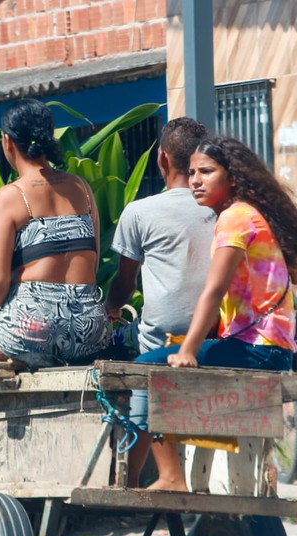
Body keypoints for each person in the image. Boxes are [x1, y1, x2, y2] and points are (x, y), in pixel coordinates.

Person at [0, 98, 109, 494]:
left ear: (7, 143)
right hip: (91, 328)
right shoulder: (80, 187)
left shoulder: (10, 196)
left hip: (34, 327)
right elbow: (91, 262)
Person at [136, 135, 297, 491]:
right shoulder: (252, 214)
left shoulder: (234, 218)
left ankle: (171, 477)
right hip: (270, 349)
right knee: (162, 362)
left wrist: (188, 349)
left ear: (232, 177)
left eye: (207, 171)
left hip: (258, 349)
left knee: (147, 366)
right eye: (191, 173)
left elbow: (214, 290)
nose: (195, 181)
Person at [104, 117, 214, 487]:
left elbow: (124, 282)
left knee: (133, 358)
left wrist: (111, 307)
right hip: (218, 335)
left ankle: (131, 480)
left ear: (162, 159)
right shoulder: (224, 210)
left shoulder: (140, 212)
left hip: (162, 340)